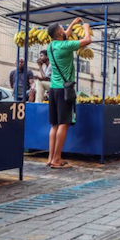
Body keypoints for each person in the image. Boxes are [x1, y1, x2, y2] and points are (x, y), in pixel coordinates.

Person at [46, 18, 91, 169]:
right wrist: (85, 27)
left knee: (55, 125)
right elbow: (87, 40)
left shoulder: (51, 46)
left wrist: (73, 23)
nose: (64, 30)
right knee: (64, 124)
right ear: (59, 32)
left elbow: (65, 34)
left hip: (53, 89)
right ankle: (57, 159)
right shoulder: (66, 46)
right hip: (64, 90)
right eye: (62, 28)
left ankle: (50, 157)